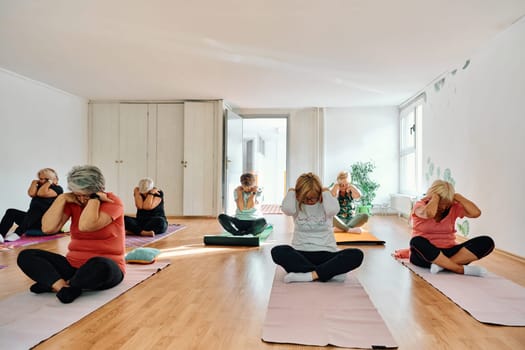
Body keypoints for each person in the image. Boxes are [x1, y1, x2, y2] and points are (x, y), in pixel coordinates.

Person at [17, 165, 126, 303]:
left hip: (107, 266)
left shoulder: (113, 202)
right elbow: (48, 228)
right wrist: (61, 199)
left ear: (99, 190)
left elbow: (86, 226)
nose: (81, 199)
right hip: (73, 265)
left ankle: (59, 284)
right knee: (26, 256)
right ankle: (63, 286)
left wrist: (94, 199)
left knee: (101, 266)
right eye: (77, 194)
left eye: (85, 195)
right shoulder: (72, 200)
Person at [271, 172, 364, 283]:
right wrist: (291, 191)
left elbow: (333, 210)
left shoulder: (326, 201)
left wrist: (326, 192)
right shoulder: (295, 202)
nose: (310, 201)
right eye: (306, 198)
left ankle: (308, 275)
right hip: (301, 254)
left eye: (313, 197)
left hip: (327, 253)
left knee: (356, 254)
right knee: (277, 251)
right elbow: (287, 210)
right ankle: (329, 273)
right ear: (299, 195)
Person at [409, 180, 494, 277]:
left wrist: (459, 197)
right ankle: (458, 269)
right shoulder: (420, 205)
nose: (444, 207)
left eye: (447, 203)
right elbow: (429, 214)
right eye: (442, 203)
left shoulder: (453, 207)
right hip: (425, 255)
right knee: (416, 241)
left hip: (450, 253)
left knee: (487, 242)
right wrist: (435, 197)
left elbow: (476, 213)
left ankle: (442, 265)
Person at [0, 168, 63, 242]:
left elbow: (42, 193)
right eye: (40, 179)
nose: (42, 181)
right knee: (11, 211)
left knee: (37, 207)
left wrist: (49, 182)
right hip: (30, 220)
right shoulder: (38, 187)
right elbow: (31, 193)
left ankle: (17, 233)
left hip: (44, 223)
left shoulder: (58, 189)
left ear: (53, 179)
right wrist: (34, 182)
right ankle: (1, 233)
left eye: (46, 179)